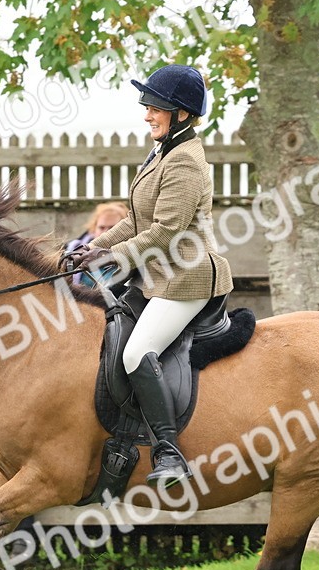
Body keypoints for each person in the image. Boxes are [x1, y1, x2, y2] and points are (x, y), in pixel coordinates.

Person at [61, 64, 233, 488]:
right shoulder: (163, 152)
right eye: (147, 106)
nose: (147, 114)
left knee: (137, 352)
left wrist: (110, 256)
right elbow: (136, 221)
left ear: (182, 113)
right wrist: (93, 247)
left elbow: (165, 231)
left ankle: (169, 452)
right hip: (155, 276)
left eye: (155, 107)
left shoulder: (185, 162)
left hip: (187, 278)